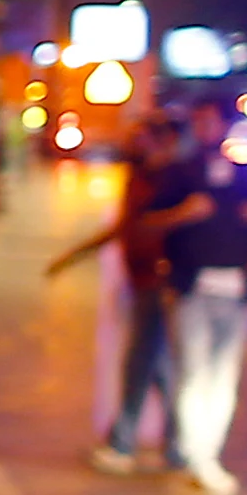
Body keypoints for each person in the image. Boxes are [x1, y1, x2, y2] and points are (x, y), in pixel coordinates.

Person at [50, 112, 187, 474]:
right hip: (141, 279)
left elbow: (164, 226)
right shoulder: (139, 176)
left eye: (142, 138)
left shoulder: (172, 179)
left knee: (141, 362)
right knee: (156, 365)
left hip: (159, 280)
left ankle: (123, 443)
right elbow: (123, 227)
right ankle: (177, 445)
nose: (133, 144)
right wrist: (73, 256)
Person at [155, 97, 247, 495]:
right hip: (191, 288)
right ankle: (198, 456)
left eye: (211, 120)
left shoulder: (243, 174)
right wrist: (181, 214)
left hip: (233, 289)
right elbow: (147, 223)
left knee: (223, 378)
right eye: (198, 120)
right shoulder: (179, 173)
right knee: (193, 373)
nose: (205, 128)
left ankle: (207, 452)